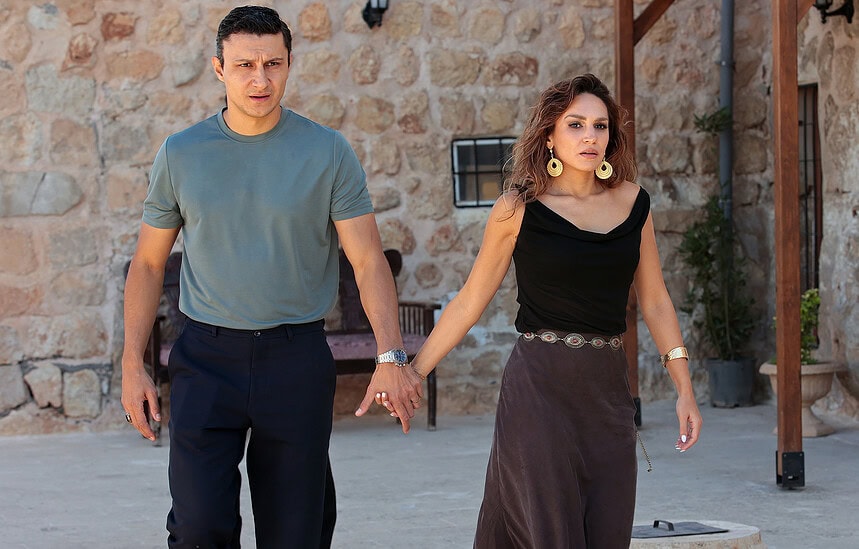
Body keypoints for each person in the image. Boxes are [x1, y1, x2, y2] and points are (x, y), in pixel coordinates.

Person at [120, 6, 423, 548]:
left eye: (272, 64)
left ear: (289, 64)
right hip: (205, 359)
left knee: (296, 532)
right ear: (219, 68)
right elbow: (146, 264)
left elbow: (368, 260)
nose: (260, 79)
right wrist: (131, 364)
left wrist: (391, 355)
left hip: (295, 359)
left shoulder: (327, 151)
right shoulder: (181, 153)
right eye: (244, 65)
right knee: (197, 527)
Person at [407, 74, 703, 548]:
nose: (590, 136)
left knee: (608, 532)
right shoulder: (517, 209)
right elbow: (469, 301)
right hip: (538, 390)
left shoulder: (634, 203)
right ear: (549, 135)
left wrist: (684, 388)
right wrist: (414, 371)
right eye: (576, 124)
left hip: (607, 393)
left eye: (600, 126)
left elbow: (655, 300)